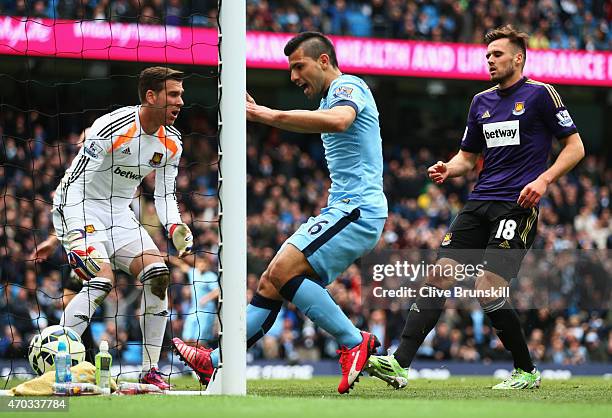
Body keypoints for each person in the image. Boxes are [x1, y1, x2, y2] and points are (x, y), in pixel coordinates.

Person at [367, 25, 585, 390]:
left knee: (488, 287)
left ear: (518, 57)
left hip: (517, 204)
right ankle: (399, 364)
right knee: (438, 275)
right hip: (478, 202)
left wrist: (544, 180)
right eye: (487, 56)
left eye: (497, 55)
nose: (490, 61)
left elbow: (575, 147)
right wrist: (448, 168)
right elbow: (467, 158)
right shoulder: (480, 101)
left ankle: (526, 371)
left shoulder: (541, 95)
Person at [172, 31, 388, 394]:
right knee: (272, 281)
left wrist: (265, 114)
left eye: (298, 66)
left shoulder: (348, 87)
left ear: (323, 61)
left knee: (282, 272)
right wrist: (264, 116)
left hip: (358, 209)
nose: (293, 76)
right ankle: (216, 362)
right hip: (345, 208)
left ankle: (354, 341)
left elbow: (339, 121)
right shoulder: (328, 101)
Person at [52, 66, 194, 389]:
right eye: (174, 95)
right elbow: (74, 183)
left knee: (159, 275)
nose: (181, 102)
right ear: (151, 96)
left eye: (181, 95)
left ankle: (151, 370)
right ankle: (58, 361)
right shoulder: (111, 127)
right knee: (102, 281)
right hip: (81, 203)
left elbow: (165, 194)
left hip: (119, 212)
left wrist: (174, 226)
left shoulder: (172, 142)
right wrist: (69, 227)